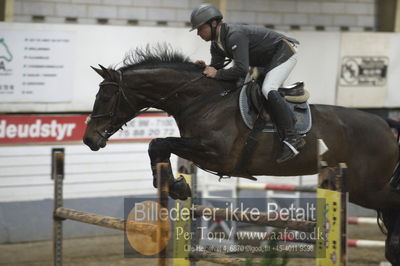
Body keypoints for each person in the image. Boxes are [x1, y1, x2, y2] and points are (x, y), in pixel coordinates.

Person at [190, 3, 305, 163]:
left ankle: (293, 137)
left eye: (200, 28)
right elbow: (216, 69)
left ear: (213, 23)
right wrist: (206, 68)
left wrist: (216, 72)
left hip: (284, 52)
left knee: (267, 88)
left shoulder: (234, 35)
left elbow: (241, 70)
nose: (198, 33)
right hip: (267, 61)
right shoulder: (216, 44)